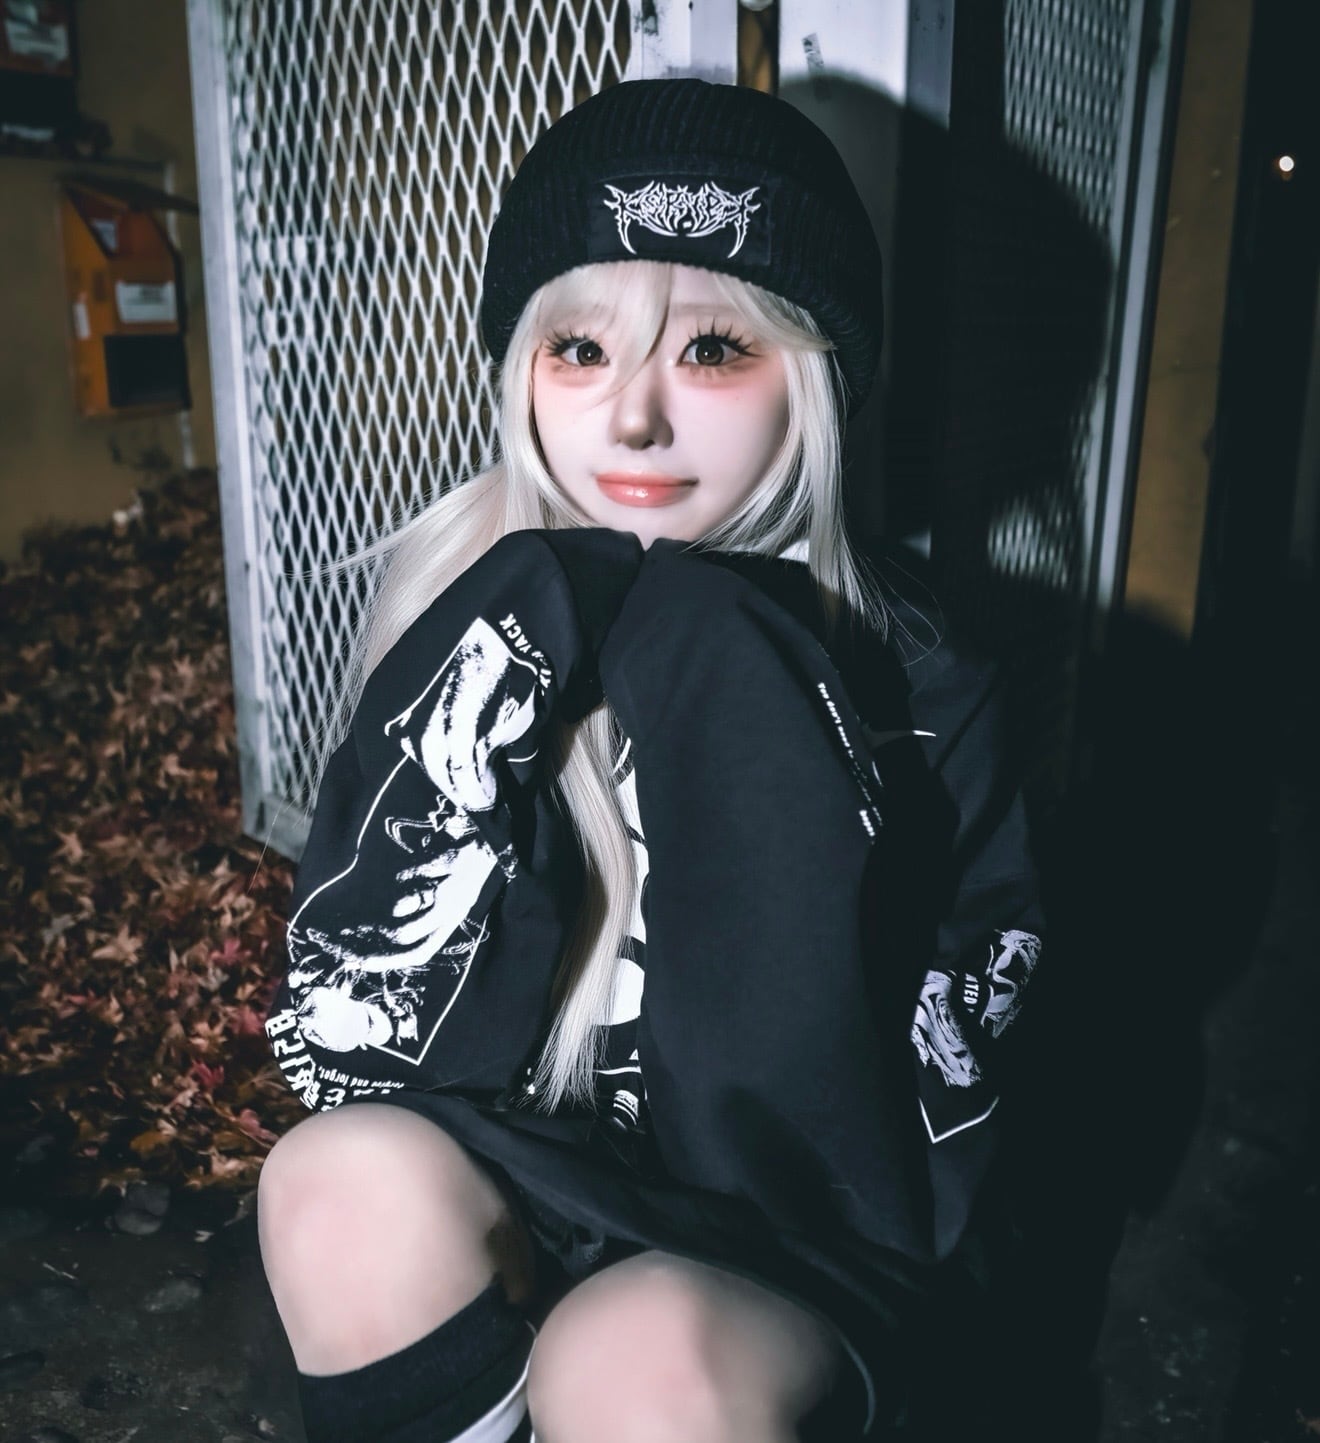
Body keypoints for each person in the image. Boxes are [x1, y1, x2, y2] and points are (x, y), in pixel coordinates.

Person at [256, 78, 1044, 1443]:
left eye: (714, 350)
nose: (632, 419)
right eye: (581, 349)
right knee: (335, 1183)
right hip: (528, 1152)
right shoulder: (464, 610)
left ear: (815, 378)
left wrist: (723, 671)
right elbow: (374, 1030)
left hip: (793, 1223)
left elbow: (922, 1096)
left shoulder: (920, 683)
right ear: (522, 367)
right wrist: (531, 640)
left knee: (639, 1360)